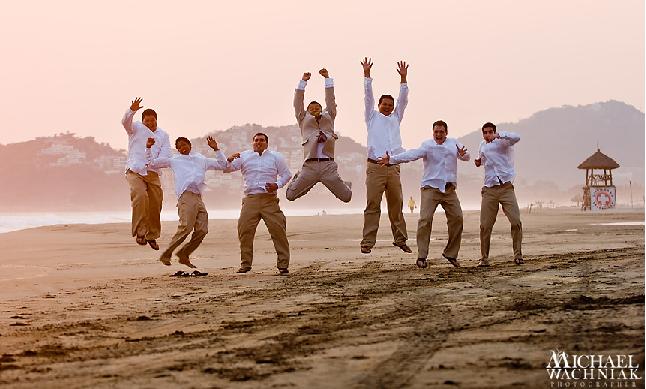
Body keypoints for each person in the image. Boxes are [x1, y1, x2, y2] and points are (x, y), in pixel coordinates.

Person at [379, 120, 469, 268]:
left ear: (446, 132)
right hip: (430, 188)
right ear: (433, 132)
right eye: (436, 132)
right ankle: (422, 256)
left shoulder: (454, 143)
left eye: (441, 132)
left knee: (458, 218)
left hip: (449, 189)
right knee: (425, 220)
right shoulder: (427, 145)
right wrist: (392, 160)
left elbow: (466, 157)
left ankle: (451, 253)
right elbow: (412, 155)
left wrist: (462, 154)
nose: (438, 134)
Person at [146, 135, 227, 268]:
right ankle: (167, 253)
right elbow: (152, 163)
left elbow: (223, 165)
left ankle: (184, 254)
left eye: (185, 145)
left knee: (202, 230)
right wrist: (148, 148)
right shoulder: (174, 160)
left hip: (198, 197)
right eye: (180, 147)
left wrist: (216, 149)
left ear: (190, 145)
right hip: (185, 196)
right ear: (177, 149)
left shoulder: (201, 159)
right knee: (186, 227)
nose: (183, 148)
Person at [360, 57, 411, 254]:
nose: (388, 107)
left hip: (394, 167)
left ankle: (400, 239)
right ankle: (367, 242)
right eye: (385, 104)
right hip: (375, 167)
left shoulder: (397, 117)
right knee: (373, 205)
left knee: (396, 205)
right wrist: (367, 75)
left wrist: (404, 79)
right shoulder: (371, 116)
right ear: (379, 105)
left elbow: (404, 101)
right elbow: (367, 97)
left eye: (391, 105)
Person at [224, 133, 292, 274]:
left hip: (270, 199)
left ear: (267, 143)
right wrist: (229, 159)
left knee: (278, 230)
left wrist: (277, 184)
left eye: (261, 140)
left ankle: (283, 265)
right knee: (244, 231)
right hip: (251, 199)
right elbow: (227, 169)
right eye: (256, 140)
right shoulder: (244, 156)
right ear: (252, 142)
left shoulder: (276, 157)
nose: (258, 142)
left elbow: (287, 175)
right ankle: (245, 264)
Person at [286, 68, 352, 202]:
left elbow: (330, 100)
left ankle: (344, 184)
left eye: (317, 108)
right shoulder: (303, 118)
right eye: (311, 108)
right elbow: (298, 103)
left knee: (347, 197)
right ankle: (301, 178)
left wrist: (327, 79)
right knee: (290, 196)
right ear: (306, 111)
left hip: (328, 165)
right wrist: (303, 82)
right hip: (310, 166)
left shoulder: (329, 116)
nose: (314, 109)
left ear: (322, 110)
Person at [121, 97, 171, 250]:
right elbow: (125, 122)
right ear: (143, 121)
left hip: (153, 172)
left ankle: (152, 235)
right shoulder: (135, 128)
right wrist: (132, 110)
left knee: (155, 204)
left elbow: (166, 156)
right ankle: (140, 233)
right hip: (134, 170)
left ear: (157, 120)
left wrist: (153, 162)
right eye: (147, 121)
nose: (150, 123)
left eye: (153, 121)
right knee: (141, 195)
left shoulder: (163, 135)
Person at [474, 122, 523, 266]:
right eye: (485, 132)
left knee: (515, 221)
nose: (488, 135)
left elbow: (517, 137)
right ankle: (484, 258)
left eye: (490, 132)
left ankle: (518, 254)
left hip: (506, 187)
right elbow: (483, 161)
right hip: (489, 188)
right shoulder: (482, 145)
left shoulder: (504, 142)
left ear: (494, 132)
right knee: (485, 225)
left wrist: (499, 135)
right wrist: (478, 162)